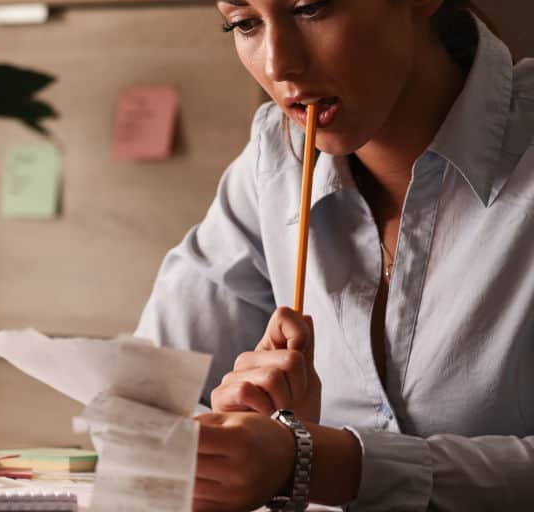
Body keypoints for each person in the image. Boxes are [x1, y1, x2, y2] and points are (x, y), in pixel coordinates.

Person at [134, 0, 534, 510]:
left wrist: (320, 463)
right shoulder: (274, 162)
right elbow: (142, 414)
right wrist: (226, 440)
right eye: (244, 23)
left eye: (310, 8)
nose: (279, 66)